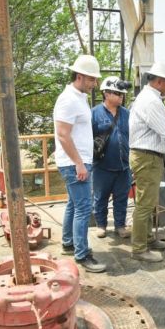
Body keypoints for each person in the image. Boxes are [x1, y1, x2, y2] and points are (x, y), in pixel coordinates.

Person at [129, 61, 165, 262]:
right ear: (160, 81)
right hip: (147, 157)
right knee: (145, 204)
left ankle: (147, 239)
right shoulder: (151, 101)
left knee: (149, 201)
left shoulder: (150, 98)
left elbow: (160, 128)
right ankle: (139, 249)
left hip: (149, 156)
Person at [53, 54, 106, 273]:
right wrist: (78, 164)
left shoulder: (78, 97)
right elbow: (63, 135)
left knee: (74, 204)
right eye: (92, 80)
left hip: (78, 161)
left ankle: (68, 243)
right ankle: (82, 254)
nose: (95, 84)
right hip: (74, 163)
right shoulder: (68, 100)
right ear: (80, 76)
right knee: (84, 208)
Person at [92, 76, 131, 239]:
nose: (121, 96)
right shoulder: (94, 113)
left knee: (121, 198)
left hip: (123, 166)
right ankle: (101, 225)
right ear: (106, 94)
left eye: (122, 94)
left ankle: (120, 225)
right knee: (100, 197)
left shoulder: (127, 114)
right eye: (117, 93)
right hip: (102, 167)